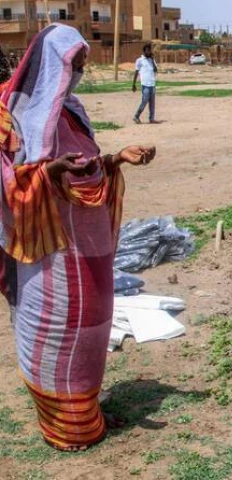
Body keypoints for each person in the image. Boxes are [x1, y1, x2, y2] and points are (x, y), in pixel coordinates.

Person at [0, 24, 156, 452]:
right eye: (74, 67)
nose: (78, 76)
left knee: (91, 328)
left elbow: (84, 163)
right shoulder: (8, 114)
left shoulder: (71, 110)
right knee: (55, 330)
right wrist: (47, 172)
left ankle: (86, 412)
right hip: (45, 251)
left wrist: (114, 158)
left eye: (83, 68)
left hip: (87, 245)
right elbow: (7, 181)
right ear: (49, 65)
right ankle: (64, 427)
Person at [132, 44, 159, 124]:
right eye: (147, 50)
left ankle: (152, 118)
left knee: (152, 103)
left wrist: (153, 60)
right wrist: (133, 84)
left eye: (150, 50)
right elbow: (136, 73)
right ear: (144, 51)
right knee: (144, 101)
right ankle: (136, 116)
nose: (149, 52)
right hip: (145, 85)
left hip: (152, 84)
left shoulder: (151, 60)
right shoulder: (139, 60)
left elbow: (155, 70)